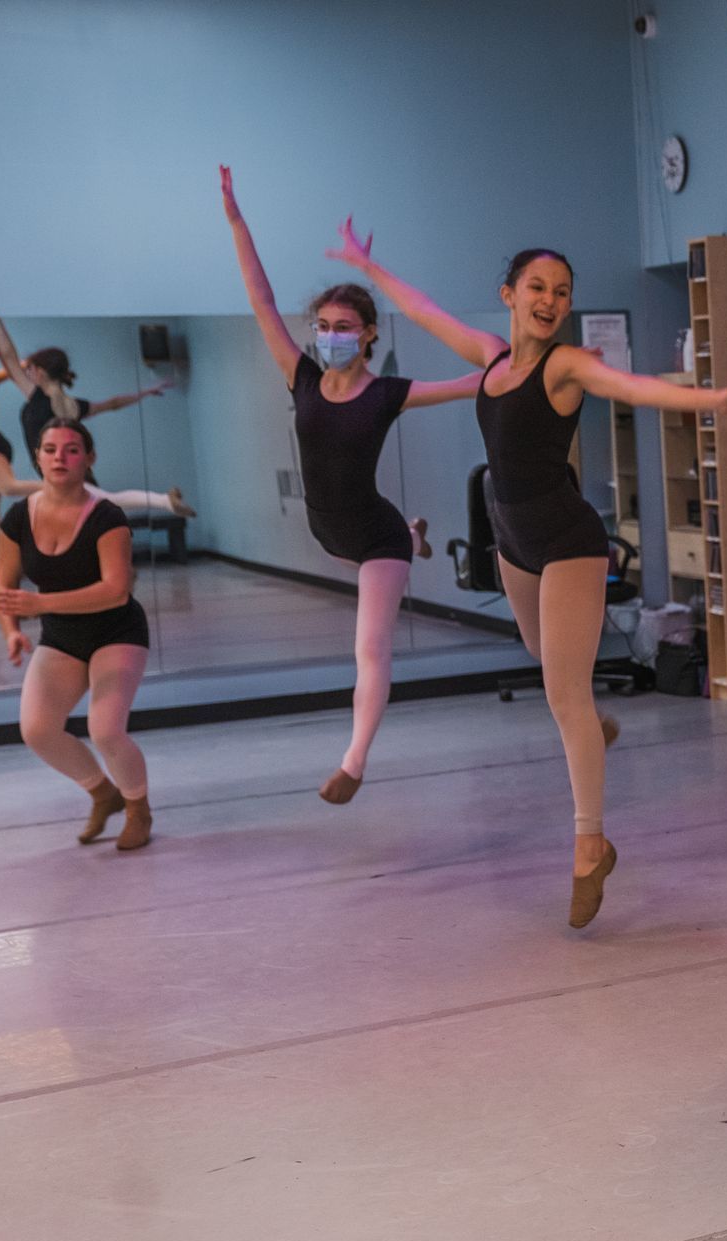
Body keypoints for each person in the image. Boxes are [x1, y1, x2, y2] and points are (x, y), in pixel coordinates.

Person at [329, 219, 727, 927]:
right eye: (536, 287)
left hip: (568, 539)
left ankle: (589, 843)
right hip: (513, 540)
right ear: (508, 294)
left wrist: (715, 401)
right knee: (545, 658)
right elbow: (423, 312)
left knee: (559, 692)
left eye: (561, 292)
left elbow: (630, 385)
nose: (549, 299)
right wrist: (367, 267)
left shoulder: (564, 367)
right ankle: (593, 723)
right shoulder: (490, 356)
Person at [220, 166, 484, 804]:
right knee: (390, 544)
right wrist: (235, 219)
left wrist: (523, 365)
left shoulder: (388, 393)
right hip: (326, 532)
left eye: (345, 327)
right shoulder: (303, 377)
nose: (332, 336)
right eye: (324, 327)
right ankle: (417, 530)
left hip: (371, 537)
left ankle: (354, 762)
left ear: (368, 334)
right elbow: (259, 297)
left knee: (369, 647)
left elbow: (469, 385)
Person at [0, 419, 155, 850]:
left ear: (89, 458)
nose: (59, 458)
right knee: (38, 730)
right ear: (38, 458)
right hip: (62, 636)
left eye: (71, 449)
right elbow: (4, 588)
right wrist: (11, 631)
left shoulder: (106, 516)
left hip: (116, 630)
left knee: (105, 729)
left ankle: (139, 808)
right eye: (50, 450)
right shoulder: (18, 516)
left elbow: (115, 590)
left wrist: (40, 605)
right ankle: (105, 794)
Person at [0, 318, 197, 522]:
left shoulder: (38, 398)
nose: (26, 373)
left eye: (29, 369)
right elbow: (112, 403)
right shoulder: (71, 405)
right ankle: (165, 501)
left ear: (40, 372)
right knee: (104, 502)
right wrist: (145, 392)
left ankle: (165, 501)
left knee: (106, 503)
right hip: (70, 472)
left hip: (61, 473)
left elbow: (10, 358)